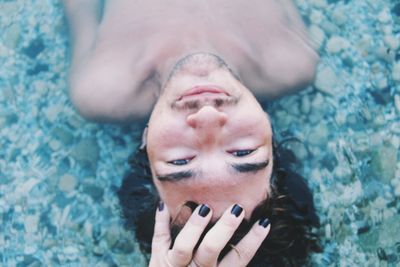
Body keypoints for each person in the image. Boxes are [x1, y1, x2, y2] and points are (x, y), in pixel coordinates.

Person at [63, 0, 320, 266]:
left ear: (146, 143)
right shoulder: (292, 60)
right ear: (269, 130)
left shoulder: (100, 87)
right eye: (243, 151)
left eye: (180, 160)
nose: (207, 116)